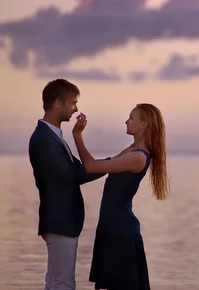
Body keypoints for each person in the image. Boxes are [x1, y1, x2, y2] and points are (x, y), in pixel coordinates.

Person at [28, 79, 126, 290]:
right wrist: (116, 163)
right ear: (57, 104)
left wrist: (115, 160)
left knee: (57, 282)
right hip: (60, 220)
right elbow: (76, 175)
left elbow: (80, 170)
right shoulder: (45, 139)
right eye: (72, 103)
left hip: (61, 221)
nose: (76, 109)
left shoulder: (53, 137)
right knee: (62, 284)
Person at [71, 103, 170, 290]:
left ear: (143, 125)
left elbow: (92, 166)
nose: (126, 121)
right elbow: (97, 167)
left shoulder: (138, 157)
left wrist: (77, 135)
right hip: (113, 227)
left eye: (131, 118)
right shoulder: (131, 150)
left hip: (121, 231)